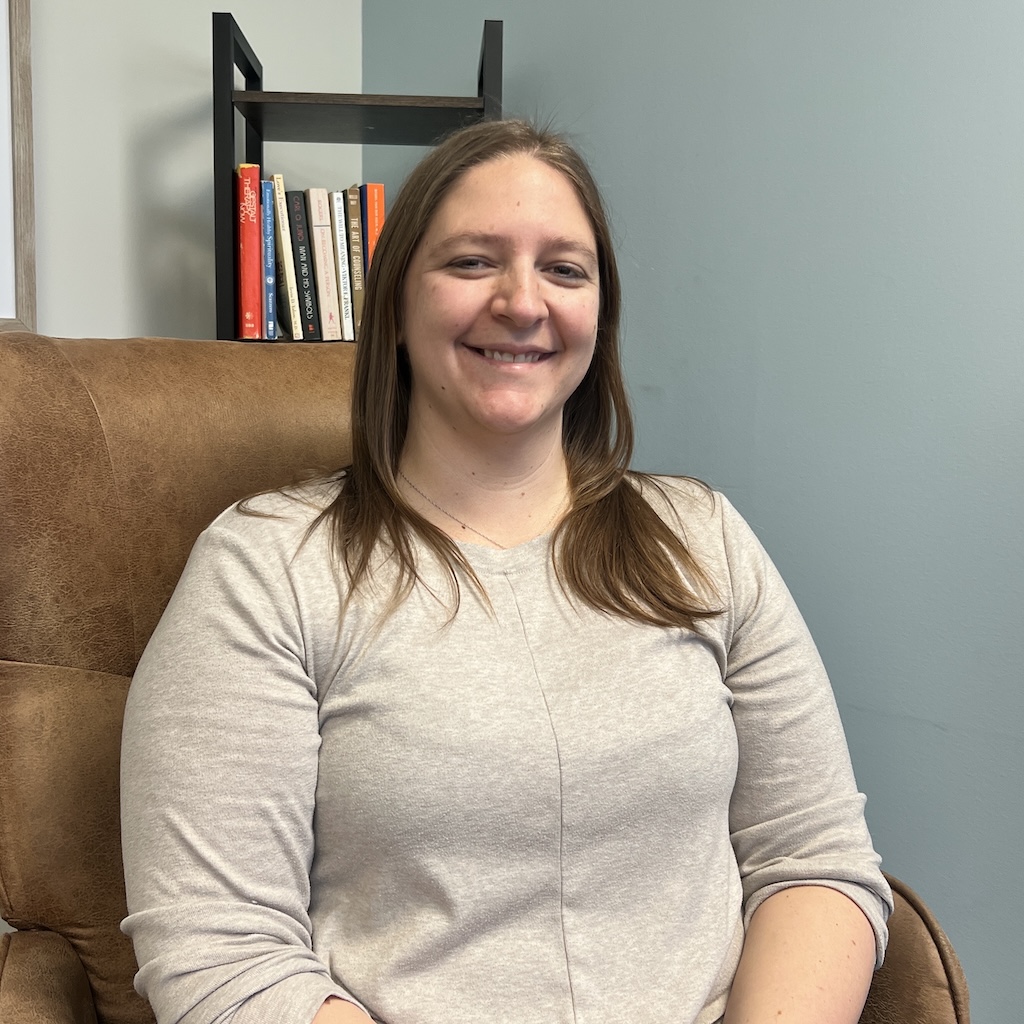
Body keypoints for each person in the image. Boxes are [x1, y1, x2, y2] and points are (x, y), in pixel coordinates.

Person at [120, 119, 893, 1024]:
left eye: (565, 269)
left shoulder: (703, 538)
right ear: (397, 305)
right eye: (473, 262)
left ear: (598, 319)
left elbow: (814, 856)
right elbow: (218, 951)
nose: (524, 302)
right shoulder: (264, 569)